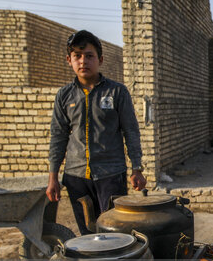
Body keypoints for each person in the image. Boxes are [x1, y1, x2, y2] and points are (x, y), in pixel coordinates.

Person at [46, 30, 146, 234]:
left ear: (100, 59)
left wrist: (137, 168)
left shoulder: (117, 92)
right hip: (76, 177)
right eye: (77, 56)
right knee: (87, 234)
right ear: (69, 60)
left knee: (114, 232)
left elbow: (131, 131)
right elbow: (58, 136)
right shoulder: (64, 96)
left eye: (89, 56)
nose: (83, 61)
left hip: (111, 175)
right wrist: (53, 177)